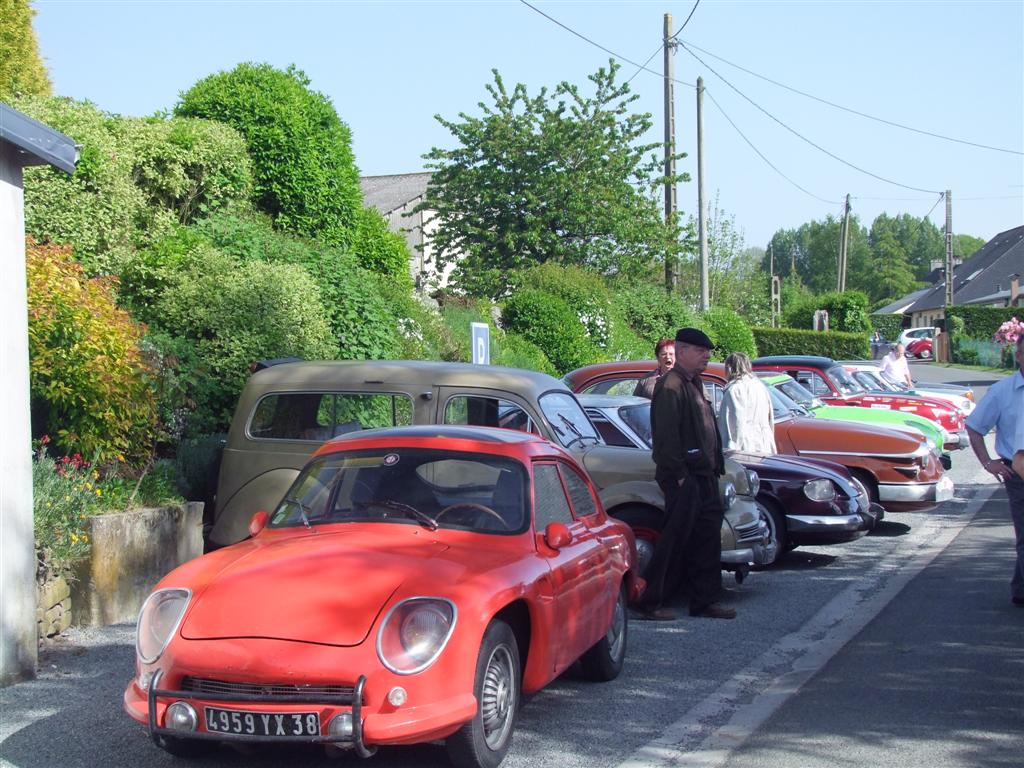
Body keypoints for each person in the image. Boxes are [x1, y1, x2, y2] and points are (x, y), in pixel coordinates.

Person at [639, 327, 735, 621]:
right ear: (682, 352)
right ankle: (648, 602)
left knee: (707, 540)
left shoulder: (694, 382)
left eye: (707, 351)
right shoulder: (671, 385)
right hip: (685, 477)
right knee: (674, 539)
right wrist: (680, 475)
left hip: (705, 475)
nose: (706, 356)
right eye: (700, 351)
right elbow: (666, 438)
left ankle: (704, 601)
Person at [966, 334, 1024, 606]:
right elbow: (975, 426)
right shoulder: (1003, 391)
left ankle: (1020, 589)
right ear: (1019, 356)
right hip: (1018, 473)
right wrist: (988, 462)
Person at [718, 352, 776, 456]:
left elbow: (734, 426)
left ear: (729, 368)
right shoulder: (759, 386)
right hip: (764, 443)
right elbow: (770, 419)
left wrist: (729, 451)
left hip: (745, 447)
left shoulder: (735, 390)